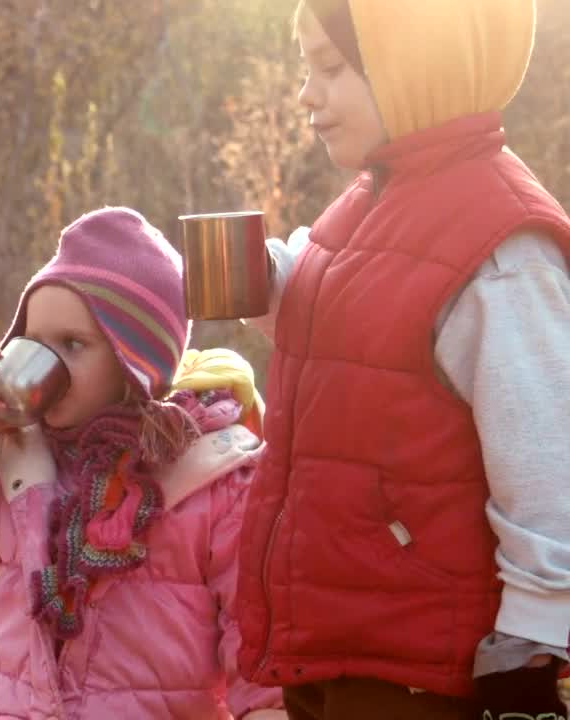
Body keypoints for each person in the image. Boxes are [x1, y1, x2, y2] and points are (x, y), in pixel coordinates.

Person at [234, 1, 570, 717]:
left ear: (419, 67)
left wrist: (534, 638)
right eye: (305, 68)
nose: (306, 94)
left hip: (426, 663)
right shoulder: (366, 203)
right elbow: (356, 345)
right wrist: (272, 284)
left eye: (330, 68)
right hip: (336, 633)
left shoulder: (502, 247)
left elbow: (547, 462)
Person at [0, 207, 285, 718]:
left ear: (137, 361)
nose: (47, 362)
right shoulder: (22, 453)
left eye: (73, 344)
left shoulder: (208, 475)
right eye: (33, 342)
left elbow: (255, 632)